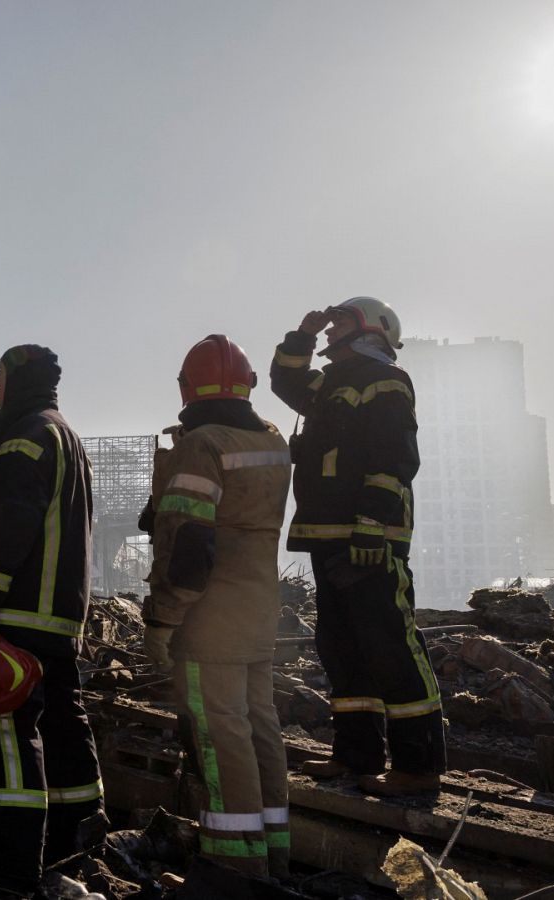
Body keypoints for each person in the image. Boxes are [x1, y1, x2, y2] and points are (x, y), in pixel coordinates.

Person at [0, 344, 104, 896]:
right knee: (61, 726)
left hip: (18, 610)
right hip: (57, 616)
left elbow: (9, 525)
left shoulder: (25, 435)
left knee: (4, 729)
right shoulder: (65, 435)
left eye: (0, 372)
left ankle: (8, 865)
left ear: (20, 377)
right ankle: (75, 846)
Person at [269, 297, 444, 796]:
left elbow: (395, 457)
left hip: (371, 537)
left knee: (390, 645)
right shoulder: (330, 386)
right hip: (328, 534)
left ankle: (418, 764)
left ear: (369, 328)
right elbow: (286, 380)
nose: (331, 330)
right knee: (343, 648)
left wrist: (372, 522)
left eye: (339, 321)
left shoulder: (385, 380)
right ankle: (356, 756)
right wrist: (302, 333)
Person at [140, 335, 292, 878]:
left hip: (209, 618)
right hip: (257, 610)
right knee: (259, 726)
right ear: (247, 386)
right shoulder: (272, 440)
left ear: (185, 389)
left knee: (219, 734)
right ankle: (273, 852)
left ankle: (234, 869)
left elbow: (190, 550)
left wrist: (162, 619)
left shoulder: (201, 444)